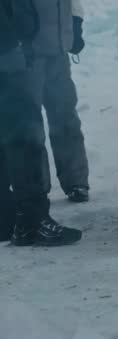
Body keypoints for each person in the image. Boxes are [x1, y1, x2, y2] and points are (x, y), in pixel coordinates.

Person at [0, 0, 82, 246]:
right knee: (25, 138)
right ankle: (32, 222)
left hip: (14, 53)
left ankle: (15, 221)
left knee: (14, 139)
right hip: (11, 57)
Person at [23, 0, 89, 203]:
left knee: (66, 118)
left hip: (58, 54)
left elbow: (73, 3)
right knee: (30, 125)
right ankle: (36, 188)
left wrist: (76, 25)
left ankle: (76, 182)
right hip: (28, 57)